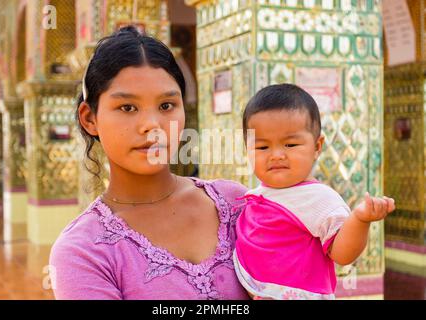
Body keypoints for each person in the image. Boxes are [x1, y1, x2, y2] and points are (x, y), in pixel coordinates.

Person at [49, 26, 249, 300]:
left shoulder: (235, 204)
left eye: (166, 106)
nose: (152, 126)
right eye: (127, 108)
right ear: (89, 118)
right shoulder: (83, 251)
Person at [233, 83, 395, 300]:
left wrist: (360, 220)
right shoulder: (258, 195)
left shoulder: (319, 199)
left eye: (290, 145)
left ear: (317, 147)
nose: (277, 155)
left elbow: (342, 254)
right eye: (262, 147)